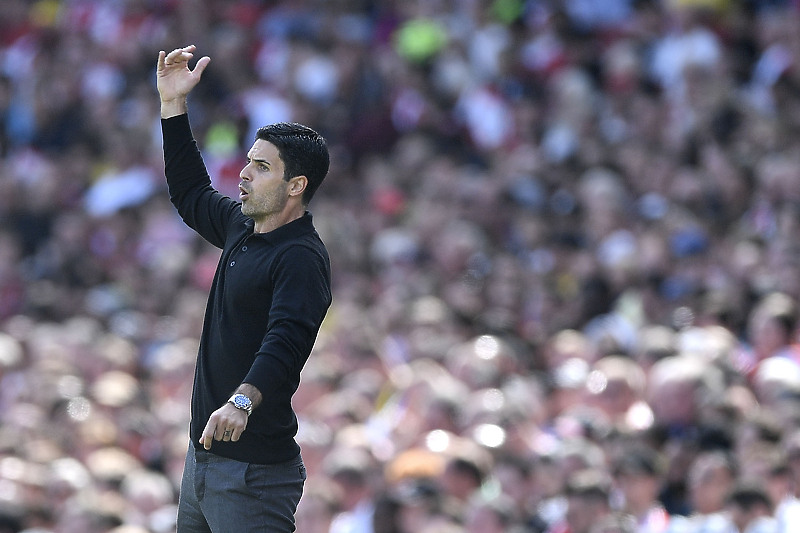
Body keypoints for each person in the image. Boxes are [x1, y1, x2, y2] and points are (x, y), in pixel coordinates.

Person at [156, 45, 333, 532]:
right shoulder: (243, 226)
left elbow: (288, 339)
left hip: (253, 474)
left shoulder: (301, 258)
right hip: (205, 458)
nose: (244, 174)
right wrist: (174, 107)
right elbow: (190, 194)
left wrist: (242, 400)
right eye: (249, 161)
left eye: (261, 167)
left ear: (295, 185)